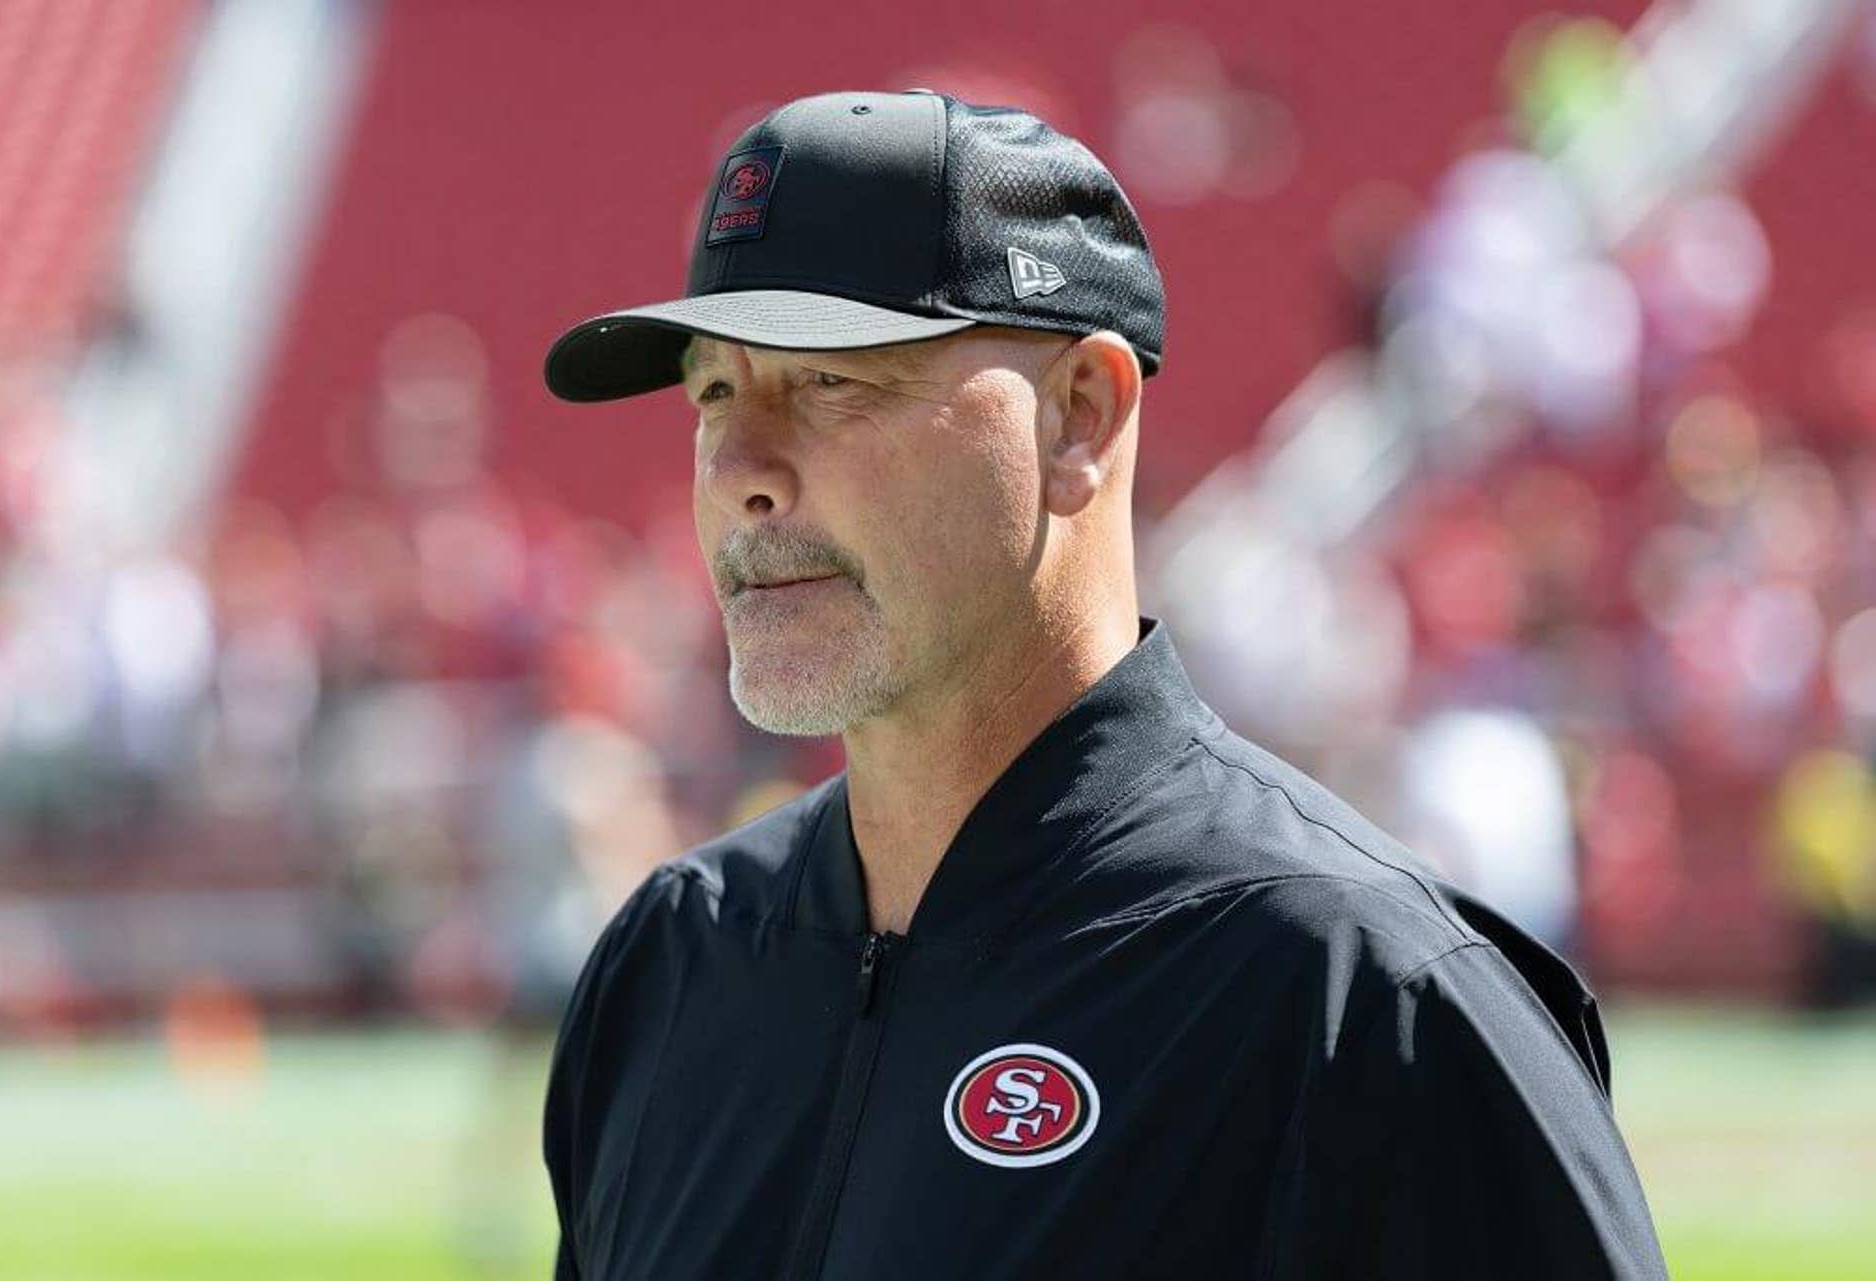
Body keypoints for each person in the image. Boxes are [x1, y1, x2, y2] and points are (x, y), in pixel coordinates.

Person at [538, 89, 1667, 1279]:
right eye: (715, 390)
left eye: (832, 384)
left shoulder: (1361, 998)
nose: (745, 473)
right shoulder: (669, 967)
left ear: (1079, 417)